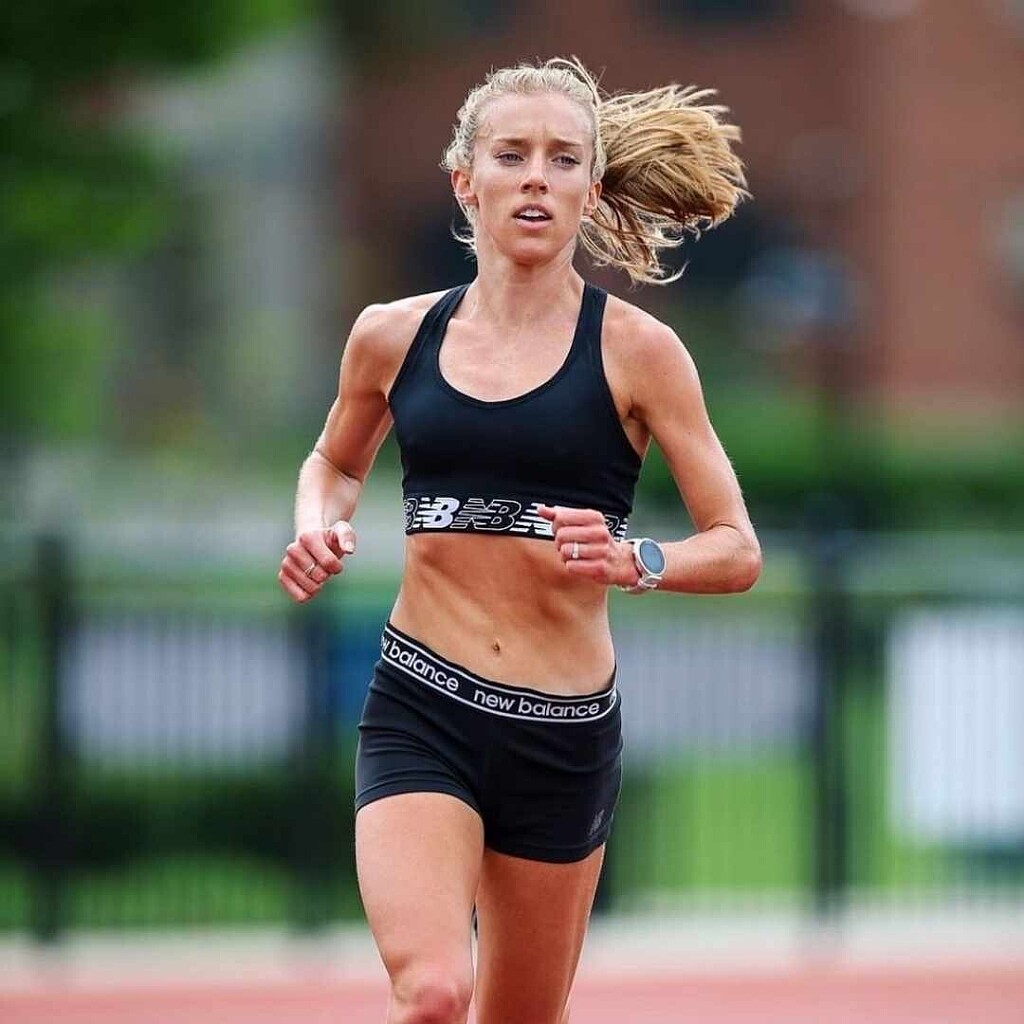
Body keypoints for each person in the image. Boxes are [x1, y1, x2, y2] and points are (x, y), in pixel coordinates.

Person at [278, 57, 761, 1024]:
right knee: (432, 993)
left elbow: (736, 547)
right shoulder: (391, 336)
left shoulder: (639, 352)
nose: (537, 176)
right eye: (512, 155)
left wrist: (637, 559)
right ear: (467, 181)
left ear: (592, 187)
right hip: (422, 707)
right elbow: (333, 462)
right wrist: (317, 524)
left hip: (562, 737)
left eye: (563, 159)